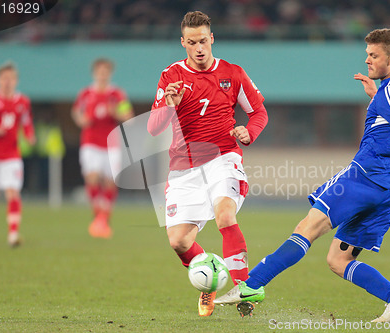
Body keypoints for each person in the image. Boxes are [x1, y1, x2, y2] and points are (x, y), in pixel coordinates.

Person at [215, 28, 390, 323]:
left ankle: (252, 285)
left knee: (308, 226)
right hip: (387, 190)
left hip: (364, 179)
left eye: (374, 55)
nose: (367, 60)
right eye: (367, 54)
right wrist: (376, 95)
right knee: (338, 259)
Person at [147, 11, 268, 317]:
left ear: (211, 38)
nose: (199, 48)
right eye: (192, 42)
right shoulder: (171, 76)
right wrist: (168, 105)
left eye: (203, 41)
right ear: (183, 43)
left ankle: (245, 286)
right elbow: (153, 128)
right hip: (183, 167)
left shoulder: (233, 73)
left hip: (223, 157)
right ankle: (210, 283)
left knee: (225, 214)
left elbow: (259, 113)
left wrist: (248, 132)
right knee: (178, 241)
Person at [72, 58, 134, 238]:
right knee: (91, 178)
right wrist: (80, 119)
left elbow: (128, 116)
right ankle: (98, 214)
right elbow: (76, 111)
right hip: (90, 142)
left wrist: (115, 112)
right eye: (99, 71)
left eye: (105, 72)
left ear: (110, 73)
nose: (102, 75)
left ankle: (102, 219)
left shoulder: (117, 94)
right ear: (94, 73)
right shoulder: (86, 94)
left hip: (111, 143)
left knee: (109, 181)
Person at [0, 62, 36, 247]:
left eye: (11, 78)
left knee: (12, 191)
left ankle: (13, 234)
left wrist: (29, 135)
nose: (7, 82)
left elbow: (26, 121)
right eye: (4, 78)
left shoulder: (22, 102)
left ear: (16, 80)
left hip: (11, 154)